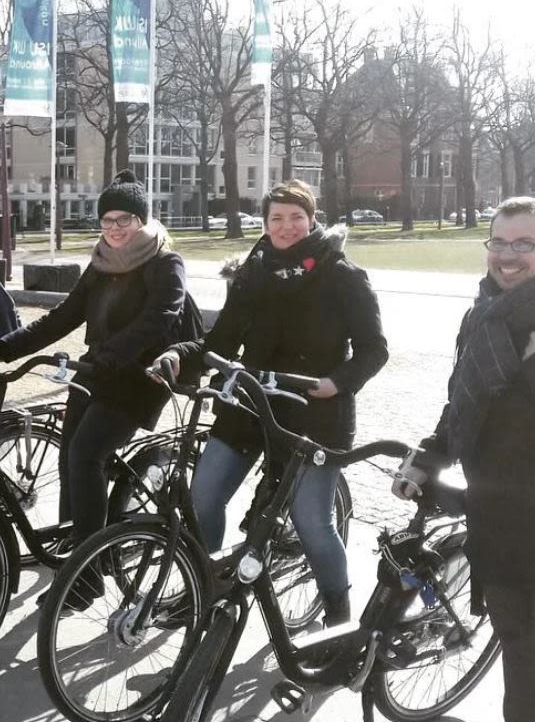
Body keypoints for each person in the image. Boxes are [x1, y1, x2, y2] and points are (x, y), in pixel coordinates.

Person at [155, 179, 388, 625]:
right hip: (251, 405)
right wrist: (177, 355)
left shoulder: (343, 276)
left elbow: (374, 349)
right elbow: (219, 341)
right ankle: (203, 586)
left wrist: (335, 383)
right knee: (202, 497)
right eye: (276, 219)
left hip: (315, 413)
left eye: (296, 218)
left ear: (312, 220)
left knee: (311, 522)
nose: (286, 227)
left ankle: (337, 615)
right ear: (264, 224)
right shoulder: (253, 273)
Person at [394, 196, 535, 722]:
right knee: (517, 654)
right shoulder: (479, 318)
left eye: (524, 244)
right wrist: (426, 458)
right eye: (498, 242)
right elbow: (461, 403)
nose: (507, 256)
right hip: (496, 518)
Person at [0, 170, 188, 573]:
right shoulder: (100, 264)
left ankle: (87, 572)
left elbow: (159, 319)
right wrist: (0, 349)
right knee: (68, 458)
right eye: (107, 220)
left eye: (124, 220)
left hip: (141, 376)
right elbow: (61, 318)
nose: (114, 228)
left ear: (141, 220)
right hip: (96, 369)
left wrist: (111, 354)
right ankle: (71, 548)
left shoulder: (165, 263)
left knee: (86, 455)